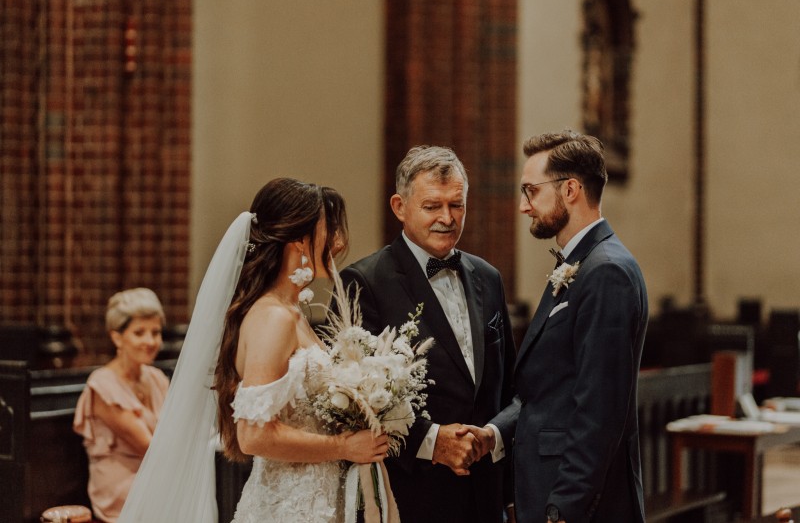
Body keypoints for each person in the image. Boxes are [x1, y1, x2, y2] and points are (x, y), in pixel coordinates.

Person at [118, 178, 388, 523]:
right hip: (290, 507)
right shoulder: (273, 317)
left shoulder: (292, 312)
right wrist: (343, 447)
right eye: (330, 230)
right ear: (299, 239)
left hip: (318, 498)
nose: (338, 243)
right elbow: (253, 434)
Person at [339, 145, 516, 523]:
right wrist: (433, 443)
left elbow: (512, 387)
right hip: (413, 496)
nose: (447, 218)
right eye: (432, 206)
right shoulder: (365, 282)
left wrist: (494, 436)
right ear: (399, 207)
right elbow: (354, 404)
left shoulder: (488, 277)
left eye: (457, 205)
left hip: (487, 495)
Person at [482, 130, 648, 523]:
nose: (524, 206)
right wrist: (495, 432)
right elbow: (547, 391)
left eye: (531, 191)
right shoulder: (580, 263)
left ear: (570, 189)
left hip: (577, 503)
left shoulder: (606, 272)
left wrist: (563, 510)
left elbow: (599, 411)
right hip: (547, 487)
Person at [73, 288, 170, 522]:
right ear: (117, 337)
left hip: (158, 475)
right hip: (122, 489)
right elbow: (149, 449)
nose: (150, 341)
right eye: (139, 333)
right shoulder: (103, 385)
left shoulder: (157, 378)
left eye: (155, 332)